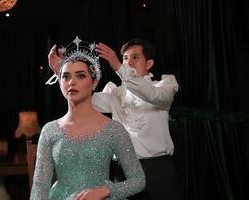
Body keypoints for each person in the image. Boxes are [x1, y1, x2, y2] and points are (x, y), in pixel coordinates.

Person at [48, 38, 180, 200]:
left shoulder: (164, 86)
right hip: (124, 172)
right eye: (125, 58)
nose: (128, 62)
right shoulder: (115, 93)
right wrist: (61, 73)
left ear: (149, 64)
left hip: (158, 169)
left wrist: (118, 66)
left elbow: (154, 95)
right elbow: (82, 97)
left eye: (135, 57)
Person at [30, 36, 145, 200]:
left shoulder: (114, 129)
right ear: (60, 82)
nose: (72, 82)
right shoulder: (50, 130)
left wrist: (105, 190)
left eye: (80, 76)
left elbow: (138, 180)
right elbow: (40, 186)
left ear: (94, 82)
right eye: (66, 76)